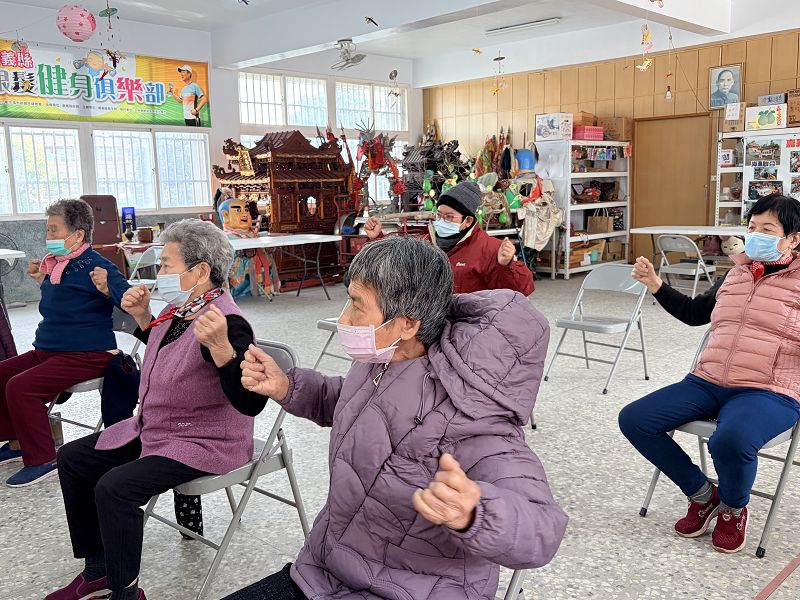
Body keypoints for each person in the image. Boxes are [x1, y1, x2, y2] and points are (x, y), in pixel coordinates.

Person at [223, 235, 567, 600]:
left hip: (413, 590)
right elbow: (350, 404)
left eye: (357, 305)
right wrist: (286, 386)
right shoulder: (381, 361)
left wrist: (475, 513)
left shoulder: (470, 411)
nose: (344, 318)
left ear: (406, 325)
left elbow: (542, 529)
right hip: (324, 570)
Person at [47, 219, 260, 600]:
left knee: (115, 488)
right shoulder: (184, 309)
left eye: (166, 265)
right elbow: (173, 351)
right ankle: (98, 570)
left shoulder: (227, 322)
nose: (158, 273)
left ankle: (126, 591)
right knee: (73, 459)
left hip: (205, 440)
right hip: (160, 427)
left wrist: (224, 350)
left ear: (200, 271)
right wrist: (144, 317)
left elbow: (251, 402)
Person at [619, 194, 800, 554]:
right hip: (708, 380)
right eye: (752, 227)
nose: (755, 235)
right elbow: (693, 313)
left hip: (769, 389)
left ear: (793, 239)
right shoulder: (737, 272)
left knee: (729, 440)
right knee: (636, 419)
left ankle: (733, 508)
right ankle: (703, 495)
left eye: (768, 229)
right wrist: (655, 283)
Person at [0, 199, 129, 487]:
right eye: (48, 230)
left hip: (88, 353)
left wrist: (108, 287)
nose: (48, 236)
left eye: (54, 230)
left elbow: (129, 301)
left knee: (20, 387)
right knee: (2, 374)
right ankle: (18, 442)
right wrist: (41, 281)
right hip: (49, 350)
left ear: (78, 234)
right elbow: (64, 304)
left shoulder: (98, 265)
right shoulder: (58, 265)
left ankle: (44, 459)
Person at [364, 181, 534, 295]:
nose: (442, 221)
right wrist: (377, 238)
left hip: (469, 327)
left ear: (468, 221)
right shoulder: (427, 243)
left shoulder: (490, 249)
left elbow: (522, 290)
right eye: (439, 215)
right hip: (430, 325)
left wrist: (506, 265)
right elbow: (396, 261)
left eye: (449, 217)